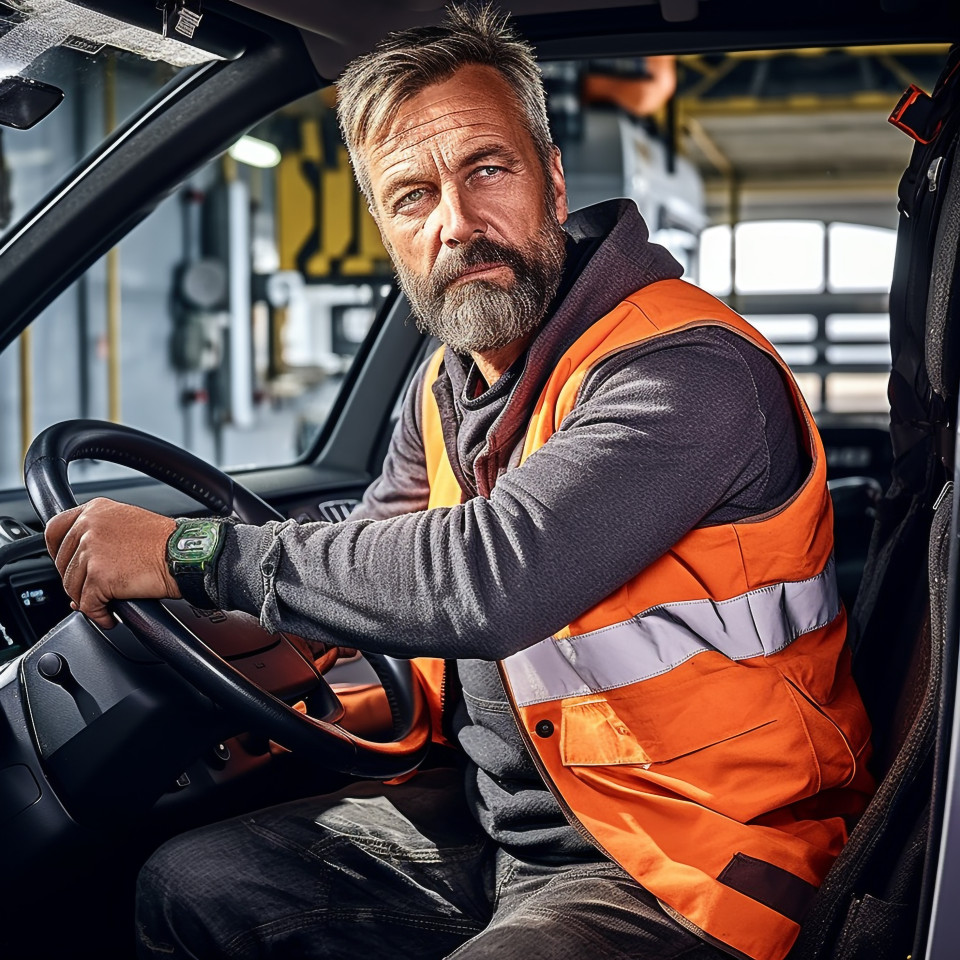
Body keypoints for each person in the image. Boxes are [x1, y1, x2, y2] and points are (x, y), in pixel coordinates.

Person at [44, 6, 873, 960]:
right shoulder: (449, 384)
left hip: (697, 858)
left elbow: (488, 576)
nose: (458, 224)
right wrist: (192, 627)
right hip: (512, 824)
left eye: (488, 169)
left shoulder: (682, 372)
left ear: (553, 181)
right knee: (193, 886)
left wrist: (187, 552)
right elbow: (373, 555)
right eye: (411, 195)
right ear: (388, 231)